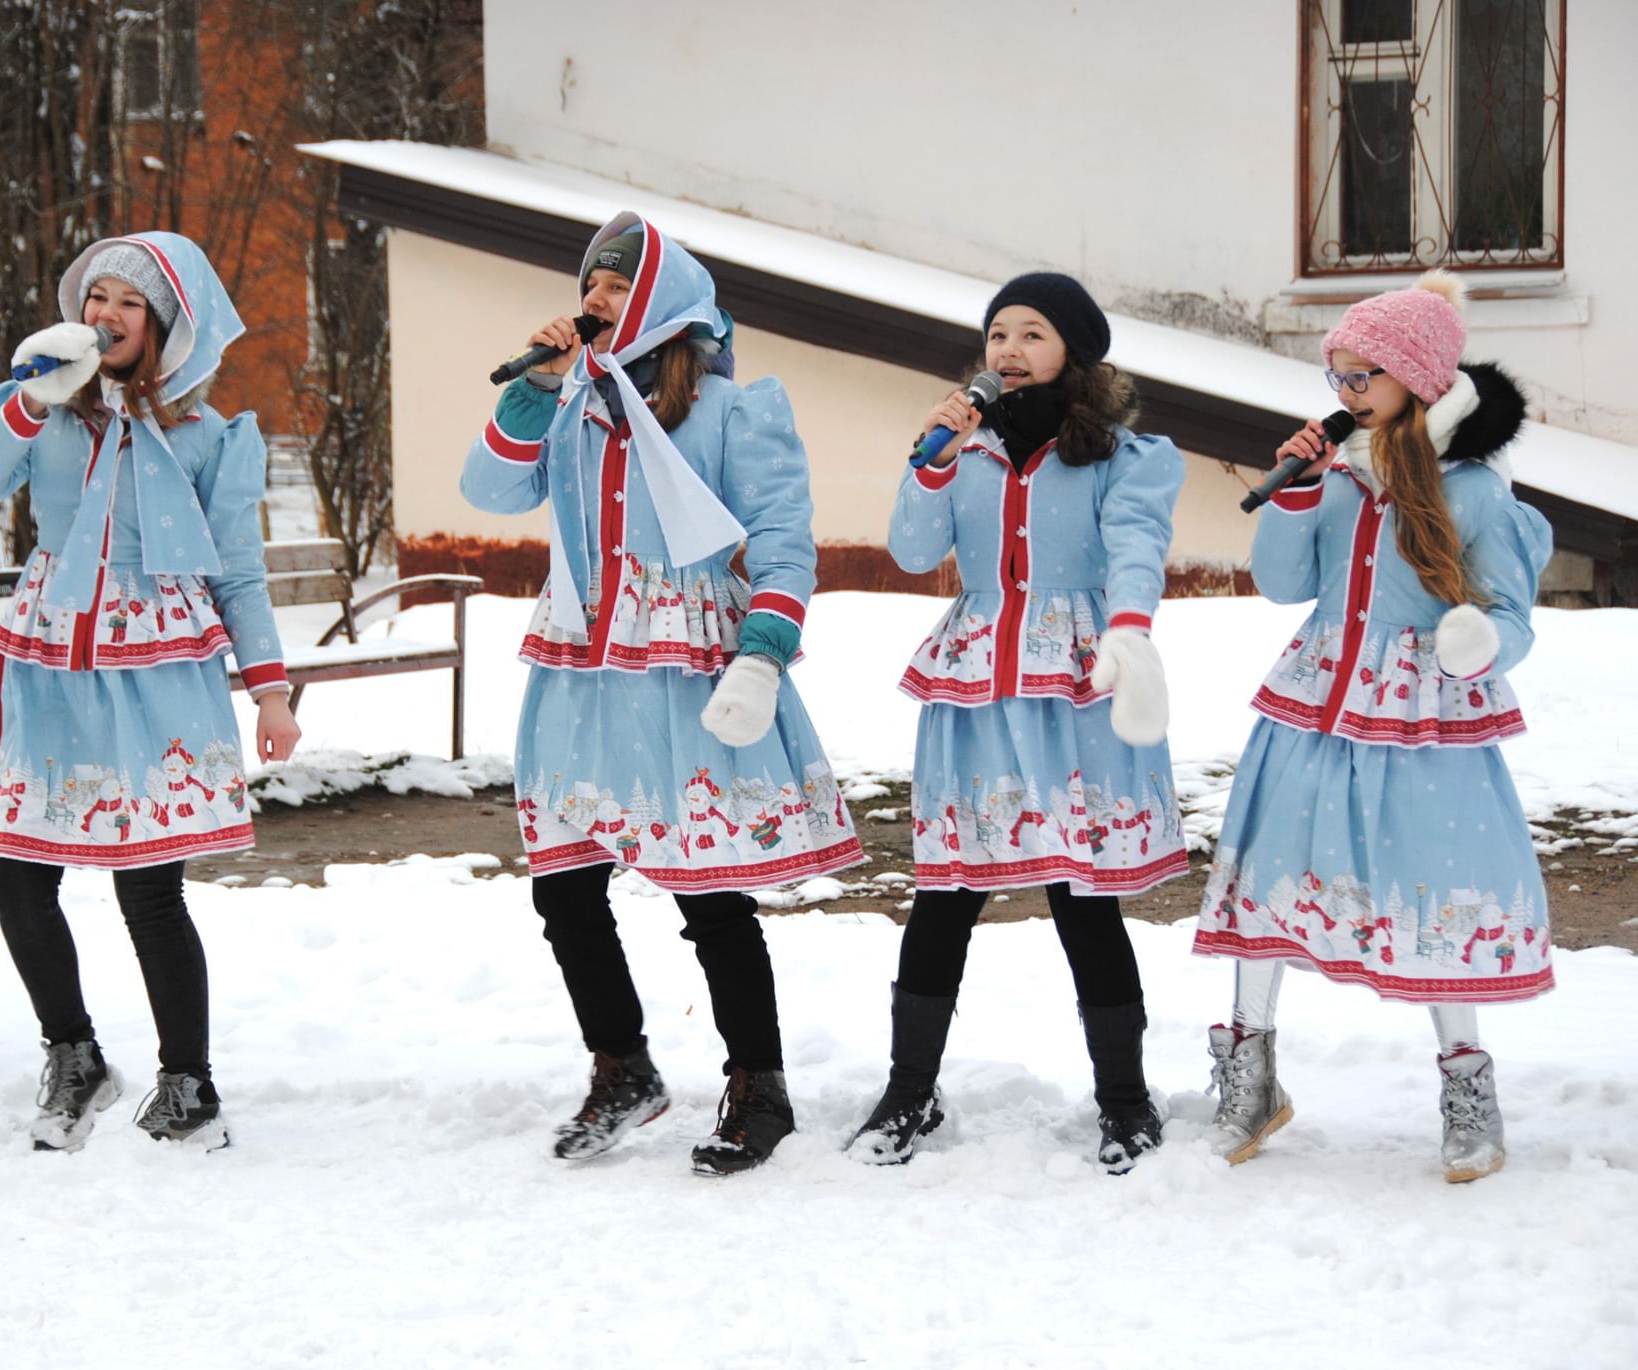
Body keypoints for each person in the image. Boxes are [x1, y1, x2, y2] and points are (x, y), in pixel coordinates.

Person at [462, 213, 864, 1175]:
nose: (592, 301)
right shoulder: (570, 402)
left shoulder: (733, 409)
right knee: (564, 885)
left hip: (686, 667)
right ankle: (622, 1067)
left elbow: (781, 536)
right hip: (581, 663)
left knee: (710, 893)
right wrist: (533, 393)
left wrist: (766, 648)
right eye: (588, 286)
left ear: (661, 303)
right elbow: (488, 490)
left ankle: (759, 1085)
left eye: (613, 287)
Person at [1191, 270, 1552, 1183]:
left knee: (1432, 884)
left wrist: (1474, 644)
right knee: (1273, 873)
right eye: (1337, 380)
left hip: (1421, 719)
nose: (1345, 397)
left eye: (1363, 379)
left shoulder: (1473, 491)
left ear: (1419, 381)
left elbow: (1511, 615)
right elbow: (1283, 583)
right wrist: (1299, 493)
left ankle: (1467, 1087)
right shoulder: (1340, 477)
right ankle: (1250, 1071)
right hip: (1315, 703)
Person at [0, 233, 301, 1152]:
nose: (104, 314)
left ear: (165, 327)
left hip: (157, 678)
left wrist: (269, 691)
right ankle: (73, 1055)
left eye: (127, 303)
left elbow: (242, 572)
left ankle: (191, 1085)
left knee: (150, 889)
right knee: (17, 872)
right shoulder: (42, 411)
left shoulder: (209, 437)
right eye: (95, 296)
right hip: (58, 668)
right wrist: (31, 399)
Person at [851, 273, 1186, 1173]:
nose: (1007, 350)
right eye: (997, 333)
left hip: (1076, 688)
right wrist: (929, 459)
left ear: (1074, 351)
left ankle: (1126, 1099)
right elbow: (916, 551)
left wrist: (1129, 634)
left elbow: (1135, 555)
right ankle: (908, 1093)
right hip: (977, 691)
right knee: (945, 899)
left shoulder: (1123, 457)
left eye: (1031, 333)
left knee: (1085, 904)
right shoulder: (964, 451)